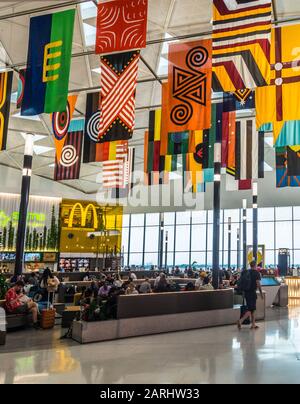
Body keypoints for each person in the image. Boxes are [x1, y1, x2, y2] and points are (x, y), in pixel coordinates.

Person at [237, 261, 264, 331]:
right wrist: (261, 293)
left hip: (246, 292)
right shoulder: (256, 273)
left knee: (252, 308)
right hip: (252, 292)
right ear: (255, 265)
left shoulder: (246, 272)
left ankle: (253, 324)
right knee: (251, 309)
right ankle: (241, 321)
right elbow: (258, 284)